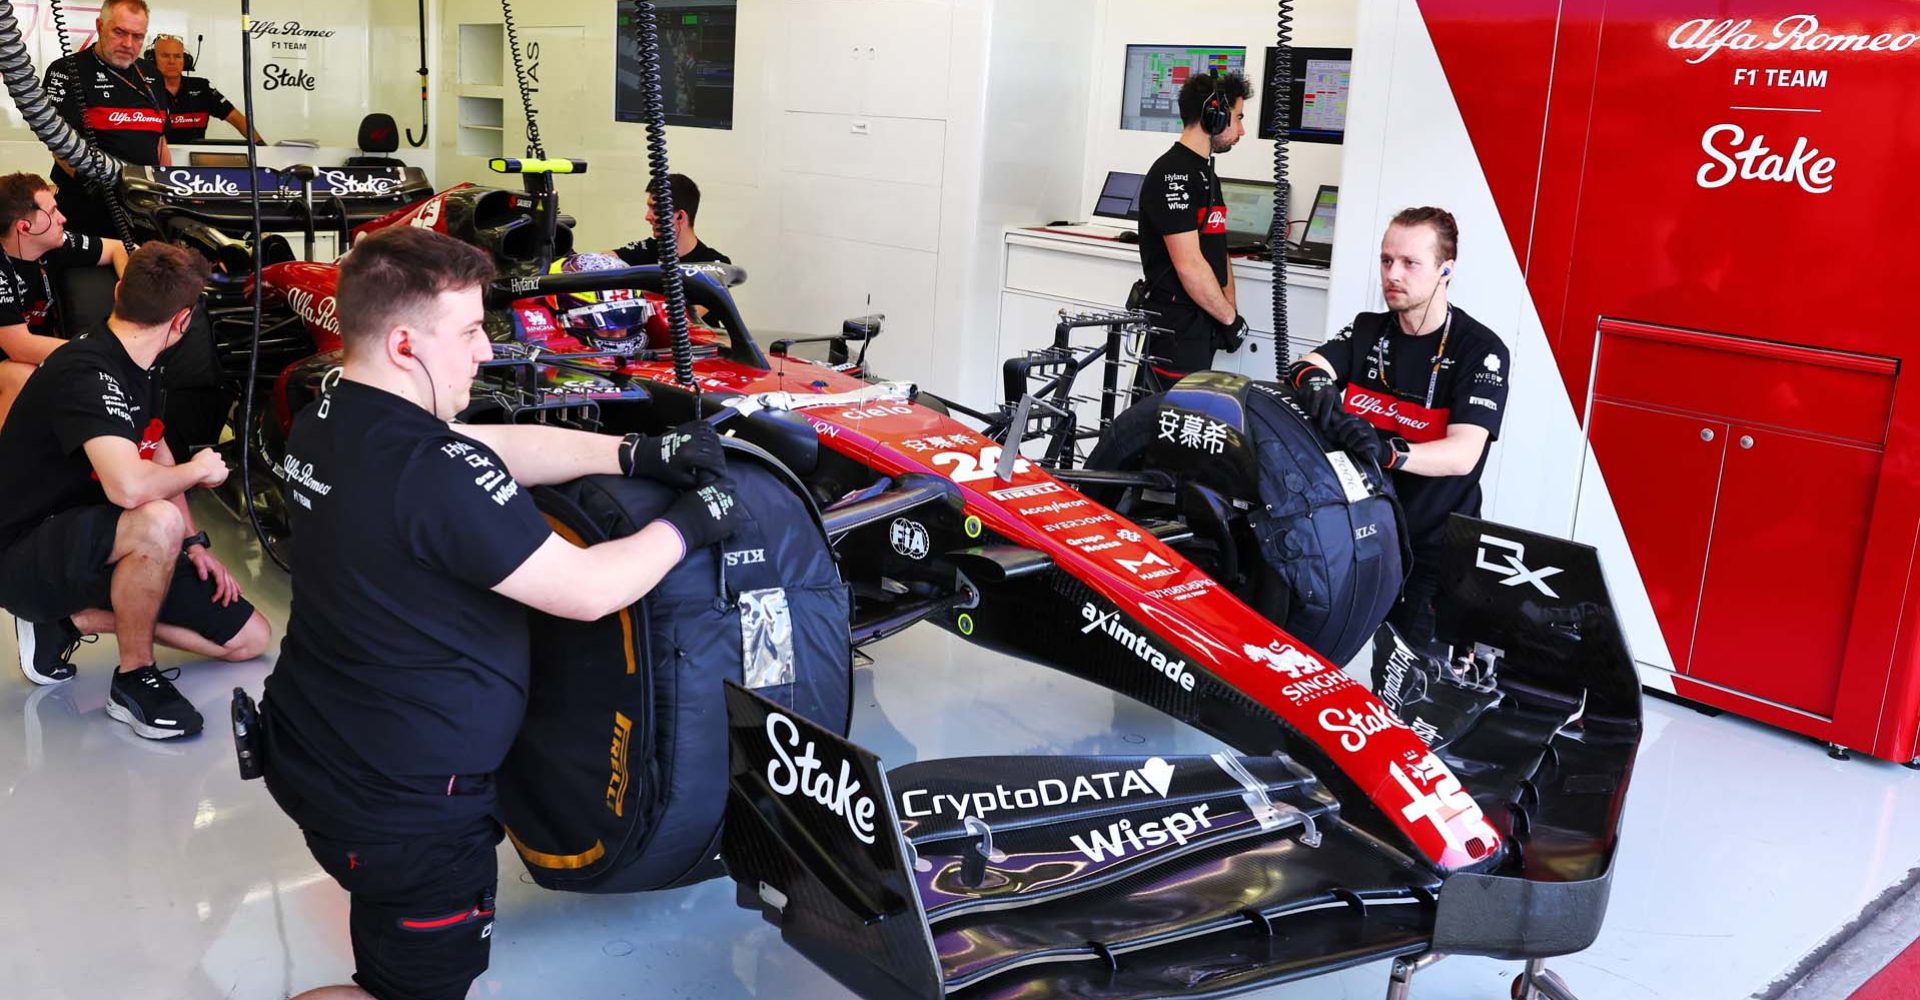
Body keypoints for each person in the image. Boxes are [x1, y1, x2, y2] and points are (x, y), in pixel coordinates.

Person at [259, 225, 742, 1000]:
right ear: (407, 343)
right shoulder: (426, 471)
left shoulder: (333, 411)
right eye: (470, 331)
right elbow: (586, 590)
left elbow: (475, 447)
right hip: (408, 810)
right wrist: (692, 521)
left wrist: (629, 455)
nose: (485, 350)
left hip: (325, 748)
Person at [0, 242, 271, 736]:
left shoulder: (141, 364)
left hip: (105, 538)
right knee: (154, 518)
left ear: (119, 290)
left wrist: (193, 544)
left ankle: (70, 622)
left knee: (249, 639)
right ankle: (134, 680)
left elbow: (156, 446)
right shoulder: (84, 369)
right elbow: (129, 488)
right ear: (183, 321)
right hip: (24, 553)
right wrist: (200, 469)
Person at [1290, 207, 1511, 651]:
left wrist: (1389, 452)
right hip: (1360, 534)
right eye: (1387, 260)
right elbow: (1305, 368)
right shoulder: (1369, 330)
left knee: (1408, 679)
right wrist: (1320, 392)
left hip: (1434, 545)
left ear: (1445, 270)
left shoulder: (1481, 350)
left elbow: (1463, 453)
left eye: (1410, 263)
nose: (1393, 274)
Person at [1133, 70, 1252, 396]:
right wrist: (1230, 319)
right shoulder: (1172, 173)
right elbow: (1189, 265)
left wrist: (1230, 312)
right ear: (1213, 114)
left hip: (1203, 327)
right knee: (1161, 428)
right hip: (1175, 332)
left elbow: (1216, 249)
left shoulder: (1205, 174)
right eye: (1238, 118)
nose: (1241, 130)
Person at [0, 172, 129, 427]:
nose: (63, 219)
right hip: (11, 360)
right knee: (22, 374)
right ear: (25, 228)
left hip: (30, 354)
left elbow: (119, 248)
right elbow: (20, 347)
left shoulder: (55, 243)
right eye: (53, 211)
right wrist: (102, 351)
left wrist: (128, 291)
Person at [44, 0, 171, 238]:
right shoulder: (66, 70)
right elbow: (59, 146)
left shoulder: (152, 75)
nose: (128, 44)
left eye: (137, 36)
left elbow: (160, 142)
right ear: (100, 26)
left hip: (145, 211)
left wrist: (169, 193)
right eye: (119, 32)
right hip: (86, 211)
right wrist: (102, 188)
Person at [149, 33, 263, 146]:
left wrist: (261, 146)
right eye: (165, 56)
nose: (172, 61)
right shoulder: (143, 90)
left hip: (194, 161)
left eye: (177, 56)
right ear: (152, 59)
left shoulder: (202, 87)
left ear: (186, 60)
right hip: (156, 160)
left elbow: (235, 117)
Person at [611, 173, 731, 267]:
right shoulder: (644, 251)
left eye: (655, 208)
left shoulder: (714, 264)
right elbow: (600, 260)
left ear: (680, 216)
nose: (647, 217)